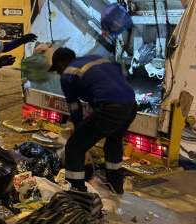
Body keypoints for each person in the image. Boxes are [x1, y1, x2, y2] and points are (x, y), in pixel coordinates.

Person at [48, 48, 138, 194]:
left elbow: (76, 110)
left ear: (60, 64)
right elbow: (121, 72)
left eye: (57, 70)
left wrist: (79, 135)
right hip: (131, 104)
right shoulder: (96, 58)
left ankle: (77, 191)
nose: (58, 73)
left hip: (110, 108)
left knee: (75, 147)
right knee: (114, 143)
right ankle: (117, 187)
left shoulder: (67, 75)